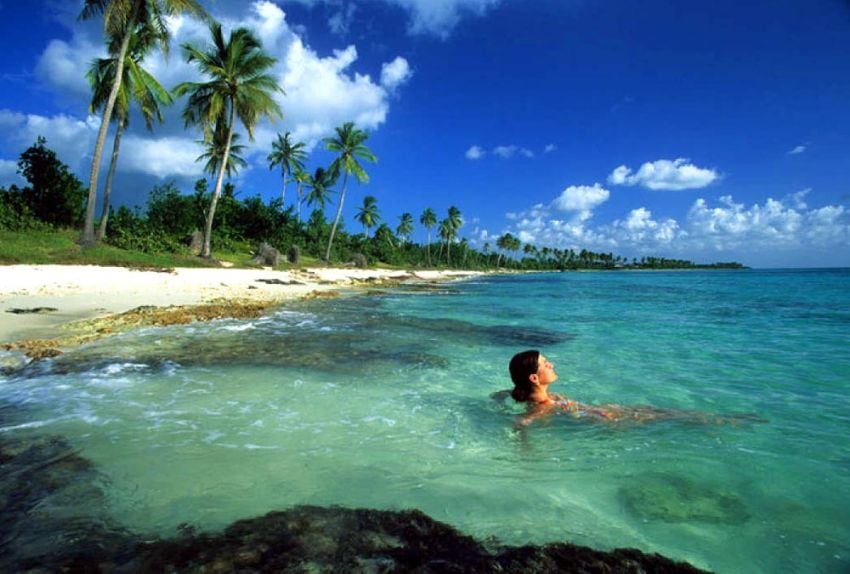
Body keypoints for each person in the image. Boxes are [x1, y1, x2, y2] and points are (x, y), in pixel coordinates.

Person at [506, 349, 764, 427]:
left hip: (606, 412)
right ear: (534, 379)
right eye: (545, 364)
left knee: (655, 411)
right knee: (670, 418)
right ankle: (720, 420)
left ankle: (718, 420)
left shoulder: (544, 397)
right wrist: (525, 447)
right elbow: (522, 422)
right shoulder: (542, 407)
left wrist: (500, 396)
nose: (552, 364)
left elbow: (509, 394)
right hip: (607, 420)